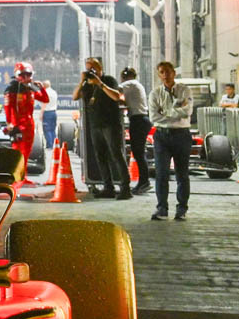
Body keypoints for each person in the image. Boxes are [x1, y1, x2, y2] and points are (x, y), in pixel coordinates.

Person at [73, 57, 130, 200]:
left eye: (93, 68)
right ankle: (108, 187)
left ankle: (125, 187)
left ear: (99, 68)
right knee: (101, 157)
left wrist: (100, 84)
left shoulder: (109, 80)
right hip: (95, 124)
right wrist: (82, 81)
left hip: (110, 124)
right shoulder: (87, 85)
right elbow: (75, 97)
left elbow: (116, 96)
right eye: (88, 68)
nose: (90, 71)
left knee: (116, 155)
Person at [149, 60, 193, 221]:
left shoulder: (184, 90)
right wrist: (176, 111)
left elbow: (187, 111)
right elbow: (154, 116)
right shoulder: (155, 94)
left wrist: (165, 113)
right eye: (162, 72)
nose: (165, 75)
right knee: (161, 173)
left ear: (174, 73)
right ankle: (162, 208)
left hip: (182, 135)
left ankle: (181, 209)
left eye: (168, 71)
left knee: (182, 174)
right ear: (159, 75)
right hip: (162, 136)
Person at [3, 63, 49, 176]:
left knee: (27, 151)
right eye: (23, 75)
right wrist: (9, 123)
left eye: (28, 75)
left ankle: (23, 176)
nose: (26, 78)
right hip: (17, 125)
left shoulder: (32, 88)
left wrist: (41, 89)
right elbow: (8, 107)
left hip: (29, 124)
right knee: (19, 151)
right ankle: (16, 176)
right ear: (18, 75)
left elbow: (45, 99)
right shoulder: (12, 89)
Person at [120, 66, 151, 195]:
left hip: (138, 120)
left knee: (138, 153)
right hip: (141, 119)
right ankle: (144, 181)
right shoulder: (136, 85)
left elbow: (115, 90)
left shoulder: (130, 84)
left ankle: (144, 182)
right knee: (138, 153)